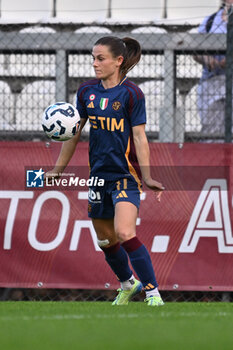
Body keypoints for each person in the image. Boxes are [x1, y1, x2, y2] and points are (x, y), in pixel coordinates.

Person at [46, 36, 164, 306]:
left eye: (101, 59)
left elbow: (140, 137)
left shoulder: (132, 94)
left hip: (125, 176)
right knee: (105, 240)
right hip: (98, 178)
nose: (95, 64)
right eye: (93, 58)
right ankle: (127, 284)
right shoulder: (86, 91)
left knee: (125, 232)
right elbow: (73, 134)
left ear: (118, 61)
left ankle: (153, 293)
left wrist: (147, 176)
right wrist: (57, 169)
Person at [193, 0, 233, 138]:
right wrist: (207, 59)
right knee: (211, 130)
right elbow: (195, 51)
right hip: (211, 81)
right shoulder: (210, 21)